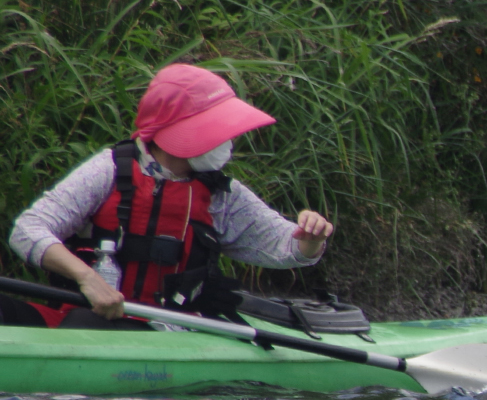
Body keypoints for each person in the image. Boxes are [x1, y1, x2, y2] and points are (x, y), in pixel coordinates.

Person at [3, 63, 334, 329]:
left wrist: (310, 238)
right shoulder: (108, 170)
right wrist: (87, 278)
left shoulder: (223, 196)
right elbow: (27, 230)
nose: (227, 142)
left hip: (168, 330)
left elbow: (289, 247)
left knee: (84, 323)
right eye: (216, 131)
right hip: (80, 316)